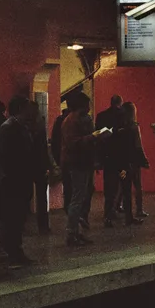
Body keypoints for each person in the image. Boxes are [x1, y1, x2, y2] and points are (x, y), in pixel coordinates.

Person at [0, 96, 39, 265]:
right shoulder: (9, 128)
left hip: (20, 180)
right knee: (12, 219)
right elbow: (8, 157)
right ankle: (11, 252)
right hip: (14, 181)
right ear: (21, 108)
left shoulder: (20, 126)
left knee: (18, 218)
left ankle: (15, 250)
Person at [61, 93, 107, 246]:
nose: (89, 107)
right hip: (77, 163)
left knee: (80, 196)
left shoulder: (78, 120)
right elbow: (72, 143)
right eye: (87, 104)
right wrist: (93, 137)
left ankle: (75, 231)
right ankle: (72, 233)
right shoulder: (71, 121)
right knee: (77, 198)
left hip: (82, 162)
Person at [95, 95, 125, 226]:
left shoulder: (101, 116)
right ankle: (117, 208)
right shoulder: (123, 115)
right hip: (120, 154)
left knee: (109, 186)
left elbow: (97, 135)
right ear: (120, 103)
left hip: (107, 155)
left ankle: (108, 212)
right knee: (122, 184)